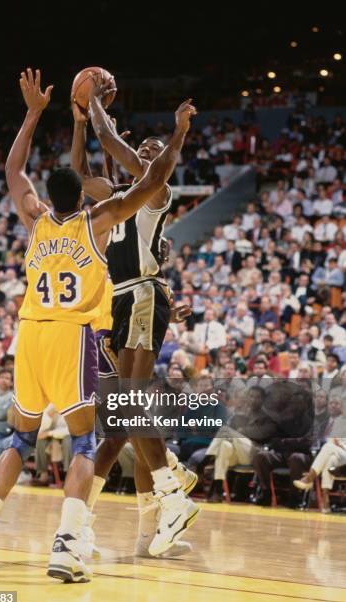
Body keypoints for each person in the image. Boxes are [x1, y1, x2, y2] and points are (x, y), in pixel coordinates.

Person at [0, 68, 197, 583]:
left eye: (153, 149)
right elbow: (118, 170)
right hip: (81, 332)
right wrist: (150, 131)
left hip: (39, 333)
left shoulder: (38, 220)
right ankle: (81, 534)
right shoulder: (103, 214)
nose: (148, 153)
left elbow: (16, 169)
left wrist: (45, 112)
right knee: (100, 429)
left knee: (57, 429)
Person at [71, 75, 199, 560]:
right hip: (121, 303)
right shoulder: (120, 197)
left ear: (159, 159)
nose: (143, 151)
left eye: (151, 148)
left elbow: (111, 142)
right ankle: (163, 500)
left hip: (141, 296)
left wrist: (98, 104)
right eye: (139, 146)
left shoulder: (155, 191)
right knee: (124, 413)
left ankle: (168, 491)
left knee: (127, 404)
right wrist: (78, 120)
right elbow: (82, 168)